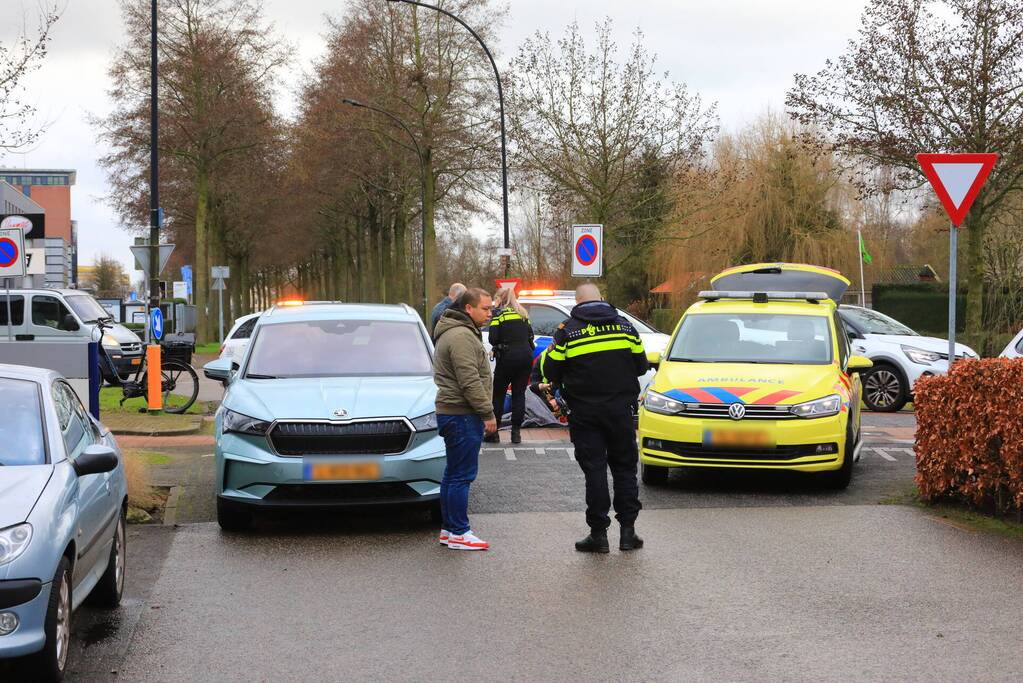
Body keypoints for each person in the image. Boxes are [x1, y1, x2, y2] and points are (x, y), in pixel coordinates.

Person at [543, 283, 649, 553]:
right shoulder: (626, 327)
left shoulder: (567, 331)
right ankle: (628, 533)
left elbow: (551, 370)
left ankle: (598, 535)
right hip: (621, 411)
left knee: (595, 471)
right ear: (602, 298)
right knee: (625, 469)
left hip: (585, 413)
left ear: (577, 303)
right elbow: (640, 366)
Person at [432, 287, 497, 551]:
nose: (490, 313)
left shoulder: (459, 332)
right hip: (461, 414)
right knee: (462, 476)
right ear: (468, 308)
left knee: (453, 473)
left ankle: (449, 529)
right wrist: (488, 413)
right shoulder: (461, 336)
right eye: (485, 308)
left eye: (491, 308)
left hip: (454, 412)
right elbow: (469, 380)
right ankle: (459, 531)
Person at [486, 287, 534, 445]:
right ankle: (516, 434)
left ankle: (494, 434)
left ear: (501, 298)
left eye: (496, 298)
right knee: (519, 394)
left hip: (507, 358)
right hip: (525, 357)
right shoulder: (523, 314)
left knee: (498, 394)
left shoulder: (499, 315)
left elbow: (493, 338)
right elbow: (530, 336)